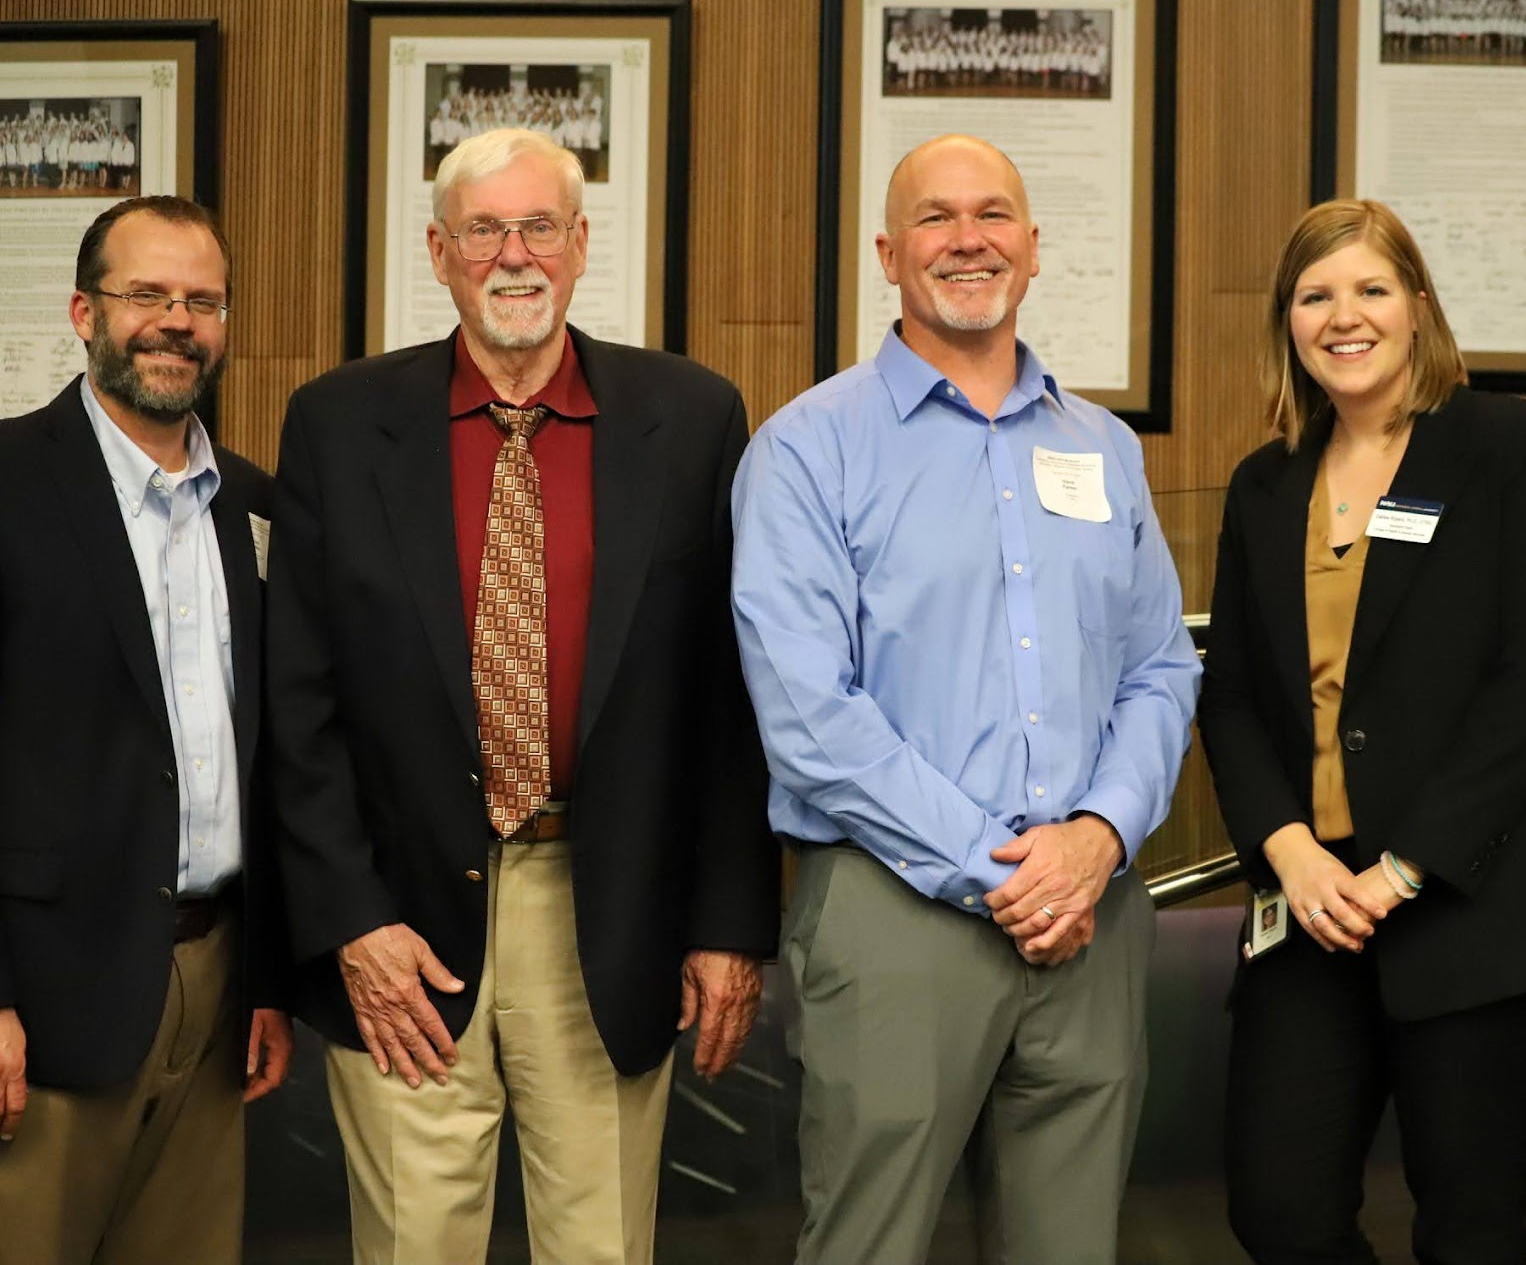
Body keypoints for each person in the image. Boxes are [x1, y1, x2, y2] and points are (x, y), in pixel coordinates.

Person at [267, 128, 777, 1265]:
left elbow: (732, 702)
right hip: (399, 925)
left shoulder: (692, 420)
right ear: (440, 254)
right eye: (484, 231)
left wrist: (728, 921)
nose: (514, 255)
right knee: (414, 1245)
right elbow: (295, 703)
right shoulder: (340, 424)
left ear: (582, 244)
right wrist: (349, 916)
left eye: (538, 226)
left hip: (609, 913)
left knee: (601, 1247)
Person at [731, 133, 1201, 1264]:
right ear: (890, 254)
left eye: (993, 214)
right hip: (897, 912)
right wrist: (1005, 870)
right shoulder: (807, 450)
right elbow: (808, 714)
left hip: (1091, 918)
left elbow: (1160, 669)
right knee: (868, 1246)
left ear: (1033, 248)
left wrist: (1094, 841)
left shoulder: (1104, 448)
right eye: (935, 219)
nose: (967, 239)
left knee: (1071, 1247)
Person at [1200, 199, 1526, 1265]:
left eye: (1371, 289)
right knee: (1279, 1211)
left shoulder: (1503, 446)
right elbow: (1236, 693)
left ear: (1418, 307)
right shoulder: (1265, 484)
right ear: (1288, 323)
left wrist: (1406, 869)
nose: (1345, 316)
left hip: (1476, 903)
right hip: (1312, 907)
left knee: (1470, 1230)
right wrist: (1287, 849)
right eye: (1315, 295)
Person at [0, 196, 292, 1264]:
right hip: (43, 998)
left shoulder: (256, 508)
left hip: (214, 999)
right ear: (85, 311)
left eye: (202, 300)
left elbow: (272, 759)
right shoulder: (10, 483)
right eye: (147, 296)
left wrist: (264, 980)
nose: (177, 321)